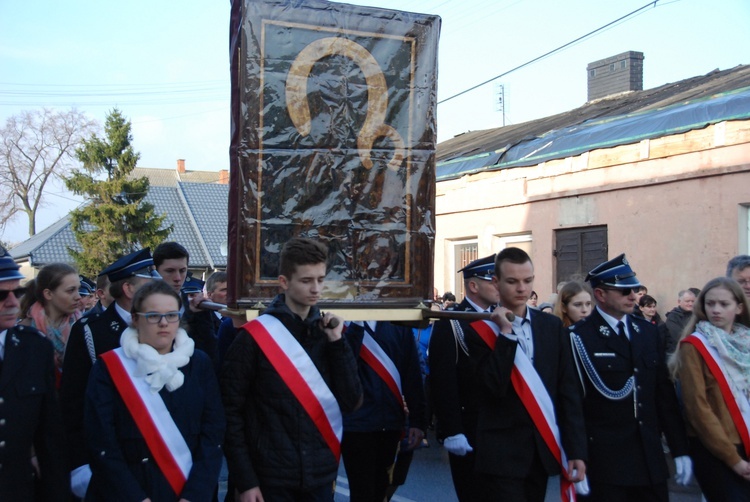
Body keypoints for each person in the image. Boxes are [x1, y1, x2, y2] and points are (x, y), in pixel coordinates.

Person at [221, 237, 363, 501]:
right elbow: (230, 413)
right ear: (284, 282)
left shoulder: (329, 334)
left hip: (319, 475)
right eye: (306, 280)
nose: (316, 289)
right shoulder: (253, 338)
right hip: (268, 478)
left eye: (321, 279)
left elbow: (352, 400)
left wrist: (337, 343)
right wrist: (246, 480)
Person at [84, 279, 225, 501]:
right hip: (127, 491)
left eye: (171, 315)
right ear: (135, 319)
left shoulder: (199, 363)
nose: (163, 323)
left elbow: (213, 433)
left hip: (189, 490)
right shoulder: (110, 367)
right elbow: (101, 441)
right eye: (153, 316)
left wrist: (195, 494)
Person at [569, 253, 692, 501]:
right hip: (605, 461)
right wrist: (576, 454)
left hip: (648, 458)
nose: (633, 297)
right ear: (601, 295)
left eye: (634, 290)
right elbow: (572, 403)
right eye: (624, 292)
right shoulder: (579, 337)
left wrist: (679, 449)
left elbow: (662, 394)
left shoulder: (646, 332)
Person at [467, 248, 586, 501]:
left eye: (527, 280)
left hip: (541, 449)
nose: (522, 288)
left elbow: (568, 390)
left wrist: (576, 449)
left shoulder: (552, 326)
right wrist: (506, 335)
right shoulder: (479, 330)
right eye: (512, 281)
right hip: (501, 455)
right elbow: (491, 388)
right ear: (496, 283)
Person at [61, 248, 161, 499]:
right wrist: (79, 465)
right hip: (112, 459)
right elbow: (73, 402)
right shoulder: (91, 331)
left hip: (163, 454)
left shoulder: (165, 323)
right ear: (128, 290)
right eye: (150, 283)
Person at [669, 276, 750, 501]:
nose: (716, 310)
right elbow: (697, 408)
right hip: (716, 447)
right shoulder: (694, 346)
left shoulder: (746, 342)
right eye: (710, 303)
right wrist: (733, 460)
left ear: (739, 307)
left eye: (724, 304)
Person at [429, 254, 499, 501]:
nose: (500, 286)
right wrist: (452, 430)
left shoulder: (503, 319)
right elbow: (443, 380)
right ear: (473, 286)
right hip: (471, 427)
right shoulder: (452, 322)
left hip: (502, 428)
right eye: (494, 281)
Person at [0, 247, 68, 500]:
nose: (13, 303)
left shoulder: (34, 347)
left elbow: (50, 439)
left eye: (17, 292)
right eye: (1, 295)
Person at [341, 321, 426, 502]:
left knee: (382, 491)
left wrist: (418, 421)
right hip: (356, 425)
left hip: (391, 421)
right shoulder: (341, 324)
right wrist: (355, 326)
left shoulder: (397, 323)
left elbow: (412, 372)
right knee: (361, 492)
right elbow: (342, 368)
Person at [19, 262, 81, 386]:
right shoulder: (24, 332)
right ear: (48, 294)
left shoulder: (82, 327)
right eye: (71, 291)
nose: (78, 297)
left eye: (78, 289)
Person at [664, 289, 697, 354]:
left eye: (693, 301)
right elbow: (678, 336)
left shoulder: (696, 315)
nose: (690, 304)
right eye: (687, 301)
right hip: (676, 353)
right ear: (679, 302)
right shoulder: (673, 317)